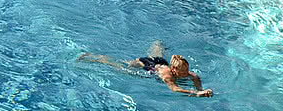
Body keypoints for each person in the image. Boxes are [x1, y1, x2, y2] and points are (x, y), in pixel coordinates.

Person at [78, 42, 212, 97]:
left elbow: (196, 77)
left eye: (186, 70)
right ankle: (94, 57)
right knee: (121, 66)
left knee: (158, 55)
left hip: (161, 62)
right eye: (182, 72)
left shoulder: (184, 71)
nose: (185, 74)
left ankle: (157, 43)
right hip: (147, 65)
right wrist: (196, 93)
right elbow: (174, 89)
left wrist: (201, 89)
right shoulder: (167, 76)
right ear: (173, 70)